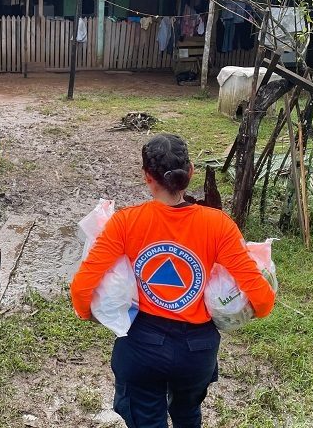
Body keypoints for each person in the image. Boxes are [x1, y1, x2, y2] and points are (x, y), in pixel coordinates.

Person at [70, 133, 276, 428]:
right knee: (187, 413)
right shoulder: (219, 225)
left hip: (142, 348)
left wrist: (85, 312)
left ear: (146, 177)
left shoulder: (125, 222)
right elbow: (263, 299)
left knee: (145, 418)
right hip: (197, 353)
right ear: (191, 171)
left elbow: (82, 286)